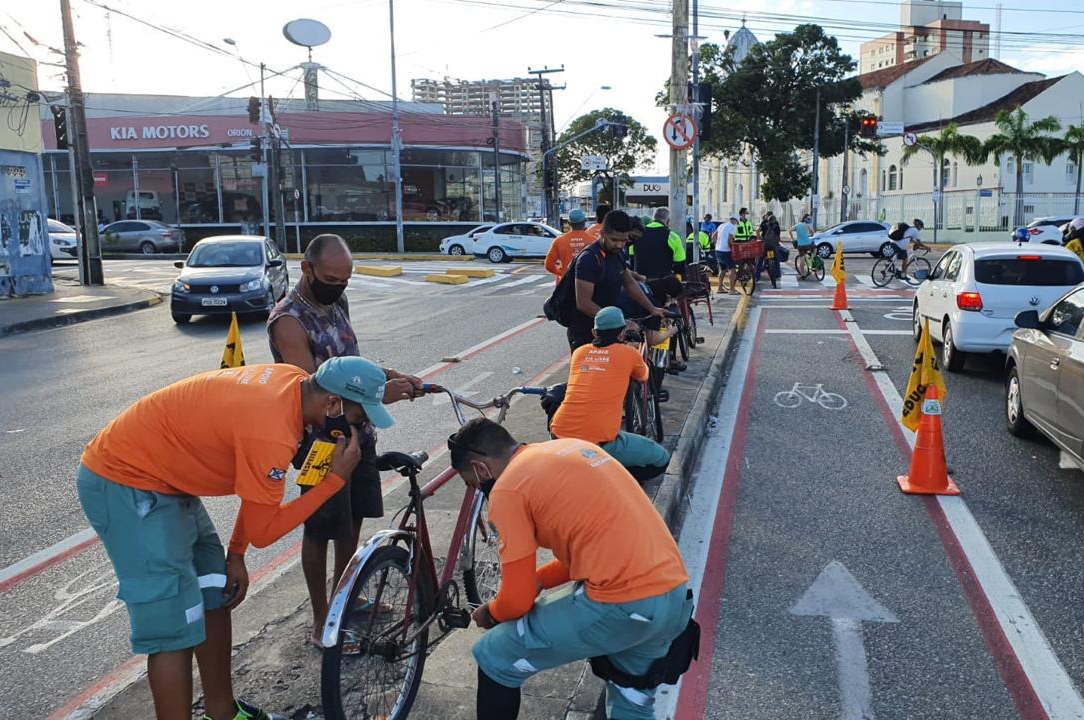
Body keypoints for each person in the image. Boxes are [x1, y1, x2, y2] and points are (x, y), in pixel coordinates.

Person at [76, 357, 394, 720]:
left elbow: (256, 491)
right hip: (124, 480)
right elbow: (265, 531)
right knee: (172, 629)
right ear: (332, 404)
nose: (359, 427)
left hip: (166, 479)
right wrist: (334, 482)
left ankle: (222, 713)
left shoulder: (296, 383)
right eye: (359, 416)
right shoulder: (271, 430)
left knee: (215, 588)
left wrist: (237, 553)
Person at [451, 418, 693, 720]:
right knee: (631, 702)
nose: (477, 489)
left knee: (494, 656)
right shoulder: (572, 448)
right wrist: (540, 579)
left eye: (472, 483)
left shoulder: (508, 489)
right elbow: (593, 547)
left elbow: (517, 600)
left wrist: (491, 613)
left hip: (621, 604)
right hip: (672, 596)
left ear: (481, 469)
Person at [267, 233, 424, 648]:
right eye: (331, 279)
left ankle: (347, 595)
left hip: (359, 428)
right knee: (320, 528)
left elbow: (353, 363)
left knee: (352, 519)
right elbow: (316, 390)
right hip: (321, 441)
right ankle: (322, 621)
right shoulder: (288, 321)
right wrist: (381, 394)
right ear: (307, 268)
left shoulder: (338, 302)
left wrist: (392, 376)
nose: (337, 287)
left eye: (345, 280)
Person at [549, 307, 671, 480]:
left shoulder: (579, 352)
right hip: (597, 443)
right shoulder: (629, 353)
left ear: (594, 332)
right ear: (622, 334)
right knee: (661, 458)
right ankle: (613, 478)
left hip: (559, 433)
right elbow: (643, 375)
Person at [569, 209, 665, 351]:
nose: (619, 245)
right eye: (614, 240)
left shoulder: (617, 254)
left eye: (624, 240)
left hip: (610, 329)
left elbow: (629, 283)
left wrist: (652, 308)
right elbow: (584, 303)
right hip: (587, 330)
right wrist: (621, 322)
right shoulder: (589, 259)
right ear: (602, 233)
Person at [633, 207, 687, 279]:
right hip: (663, 282)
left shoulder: (638, 234)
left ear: (652, 219)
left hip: (640, 281)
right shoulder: (672, 236)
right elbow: (680, 266)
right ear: (668, 221)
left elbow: (631, 258)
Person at [545, 208, 595, 282]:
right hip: (587, 282)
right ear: (584, 222)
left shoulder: (559, 241)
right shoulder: (593, 241)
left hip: (565, 283)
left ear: (569, 223)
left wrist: (561, 273)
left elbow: (548, 265)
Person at [758, 211, 783, 289]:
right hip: (773, 246)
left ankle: (757, 275)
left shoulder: (764, 224)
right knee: (776, 259)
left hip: (765, 245)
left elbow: (757, 231)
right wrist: (777, 243)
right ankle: (777, 274)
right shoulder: (776, 226)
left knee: (760, 259)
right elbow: (778, 237)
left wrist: (760, 239)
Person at [713, 215, 738, 293]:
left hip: (718, 250)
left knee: (722, 270)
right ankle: (732, 289)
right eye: (736, 222)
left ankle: (719, 288)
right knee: (732, 270)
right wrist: (732, 249)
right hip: (726, 251)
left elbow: (713, 237)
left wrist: (717, 245)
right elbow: (730, 240)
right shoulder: (732, 227)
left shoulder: (721, 225)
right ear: (735, 221)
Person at [792, 212, 816, 277]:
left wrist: (793, 239)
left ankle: (802, 274)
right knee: (815, 248)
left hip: (800, 245)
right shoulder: (807, 225)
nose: (809, 220)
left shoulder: (797, 225)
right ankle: (812, 258)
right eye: (808, 219)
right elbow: (812, 232)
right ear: (805, 219)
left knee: (801, 260)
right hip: (808, 244)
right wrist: (810, 234)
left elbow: (790, 231)